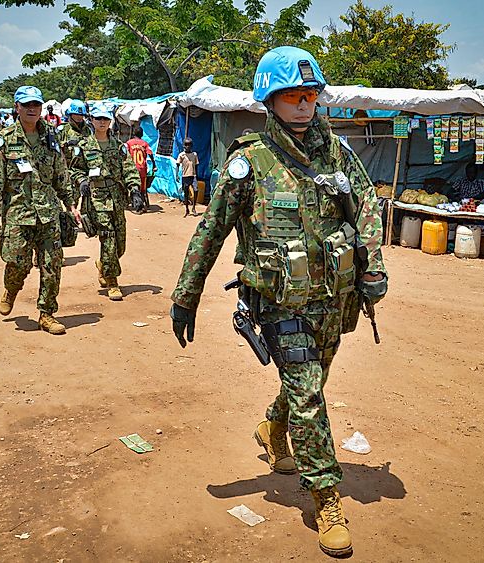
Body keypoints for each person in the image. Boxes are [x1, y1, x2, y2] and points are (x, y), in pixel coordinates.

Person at [169, 46, 387, 558]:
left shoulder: (339, 154)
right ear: (270, 100)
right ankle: (326, 497)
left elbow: (367, 212)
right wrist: (186, 294)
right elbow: (213, 228)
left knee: (310, 383)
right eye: (293, 96)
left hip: (334, 297)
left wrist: (373, 269)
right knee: (310, 394)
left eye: (310, 95)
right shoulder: (249, 162)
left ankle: (273, 426)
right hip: (278, 301)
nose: (304, 105)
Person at [0, 85, 79, 335]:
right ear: (17, 108)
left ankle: (46, 314)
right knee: (17, 263)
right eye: (26, 105)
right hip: (18, 213)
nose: (32, 109)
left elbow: (61, 173)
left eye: (36, 104)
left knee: (52, 264)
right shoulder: (4, 141)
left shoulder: (51, 138)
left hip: (48, 213)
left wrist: (70, 205)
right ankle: (11, 289)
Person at [67, 104, 140, 301]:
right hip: (96, 196)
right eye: (98, 118)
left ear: (110, 122)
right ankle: (112, 281)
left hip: (116, 196)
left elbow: (129, 168)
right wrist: (81, 180)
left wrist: (134, 189)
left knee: (120, 243)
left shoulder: (118, 146)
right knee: (107, 236)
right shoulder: (83, 146)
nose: (101, 122)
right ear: (91, 120)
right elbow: (74, 169)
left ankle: (103, 263)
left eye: (105, 119)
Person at [125, 125, 156, 213]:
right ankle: (143, 205)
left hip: (131, 169)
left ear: (133, 133)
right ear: (142, 134)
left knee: (131, 187)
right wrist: (154, 165)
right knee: (142, 189)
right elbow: (150, 154)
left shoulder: (129, 143)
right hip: (142, 169)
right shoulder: (144, 143)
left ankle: (133, 205)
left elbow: (124, 153)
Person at [58, 99, 92, 164]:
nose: (79, 117)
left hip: (86, 167)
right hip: (69, 168)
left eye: (81, 115)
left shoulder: (88, 130)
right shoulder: (63, 130)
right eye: (76, 114)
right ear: (71, 114)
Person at [176, 138, 199, 217]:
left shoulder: (194, 155)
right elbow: (177, 165)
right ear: (183, 146)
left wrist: (197, 175)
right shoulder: (181, 155)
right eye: (186, 145)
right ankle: (187, 209)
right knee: (186, 193)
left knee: (196, 190)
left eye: (189, 145)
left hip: (193, 176)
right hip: (185, 176)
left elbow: (196, 165)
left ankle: (193, 207)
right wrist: (177, 175)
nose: (187, 146)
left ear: (192, 146)